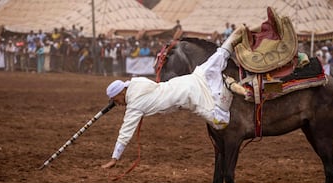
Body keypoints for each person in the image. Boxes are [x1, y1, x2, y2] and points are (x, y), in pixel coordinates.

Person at [101, 26, 248, 169]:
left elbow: (125, 133)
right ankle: (233, 38)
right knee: (217, 59)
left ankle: (228, 88)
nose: (118, 104)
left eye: (116, 100)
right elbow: (128, 88)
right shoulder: (136, 82)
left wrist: (115, 158)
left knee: (220, 122)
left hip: (189, 95)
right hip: (192, 78)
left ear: (121, 93)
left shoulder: (134, 105)